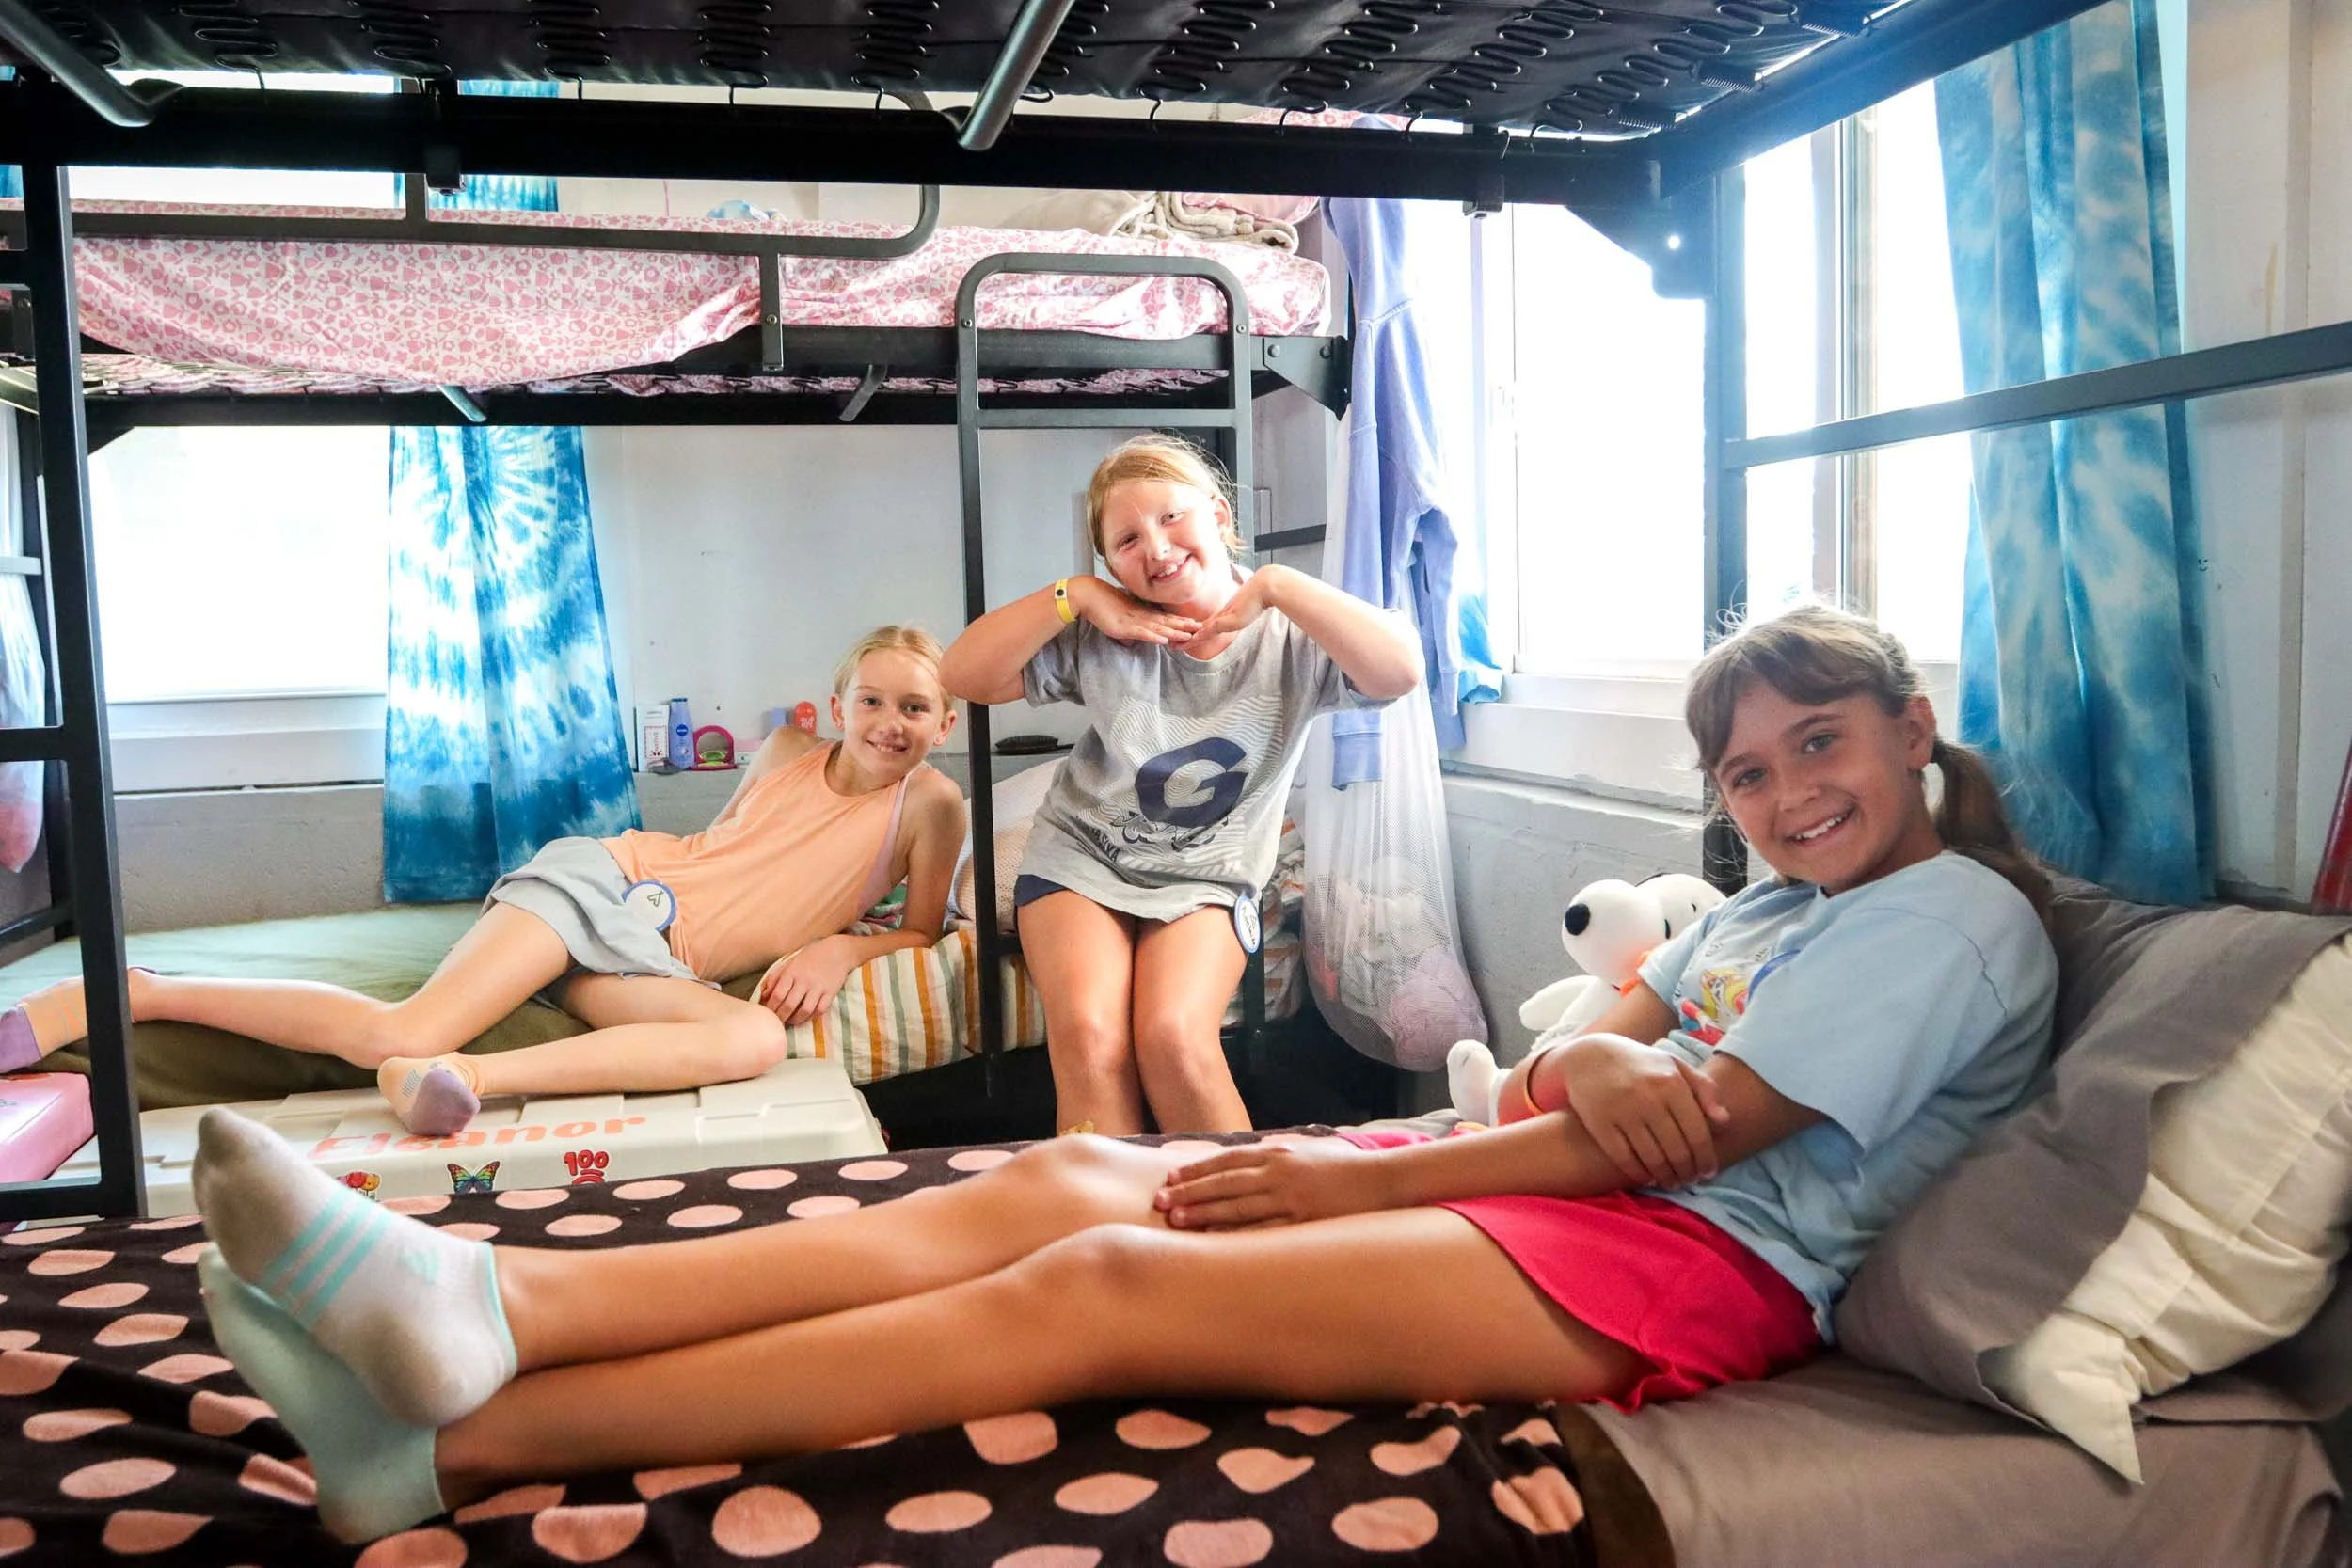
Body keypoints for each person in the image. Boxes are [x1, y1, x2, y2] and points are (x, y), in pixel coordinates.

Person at [189, 601, 2059, 1544]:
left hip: (1688, 1262)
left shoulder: (1949, 915)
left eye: (1819, 743)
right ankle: (500, 1290)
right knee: (1036, 1178)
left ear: (1910, 726)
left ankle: (450, 1439)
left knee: (1102, 1276)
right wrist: (1598, 1058)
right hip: (1560, 1176)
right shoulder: (1770, 911)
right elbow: (1617, 1043)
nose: (1786, 789)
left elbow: (1680, 1123)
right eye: (1744, 772)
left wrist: (1364, 1163)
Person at [2, 626, 966, 1134]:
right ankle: (137, 991)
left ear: (945, 722)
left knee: (751, 1035)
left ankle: (465, 1080)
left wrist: (842, 941)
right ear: (835, 703)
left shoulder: (932, 805)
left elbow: (922, 932)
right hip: (613, 885)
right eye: (870, 698)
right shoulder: (791, 747)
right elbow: (724, 849)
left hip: (660, 963)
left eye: (914, 707)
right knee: (405, 1023)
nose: (889, 719)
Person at [940, 435, 1422, 1135]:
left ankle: (1245, 1231)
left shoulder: (1289, 633)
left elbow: (1401, 671)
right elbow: (962, 675)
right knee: (1093, 1041)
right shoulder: (1107, 630)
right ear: (1110, 564)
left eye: (1172, 518)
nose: (1156, 548)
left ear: (1220, 516)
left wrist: (1280, 585)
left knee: (1173, 1039)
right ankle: (1114, 1231)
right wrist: (1073, 595)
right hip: (1083, 859)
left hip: (1208, 876)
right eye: (1126, 539)